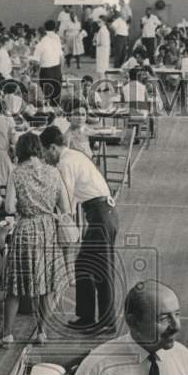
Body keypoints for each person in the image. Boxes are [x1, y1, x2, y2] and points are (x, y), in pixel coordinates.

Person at [41, 126, 118, 333]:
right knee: (85, 265)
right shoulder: (74, 156)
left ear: (53, 148)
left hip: (101, 215)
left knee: (99, 268)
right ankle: (86, 316)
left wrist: (53, 214)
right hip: (102, 213)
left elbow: (66, 201)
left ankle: (106, 322)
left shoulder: (65, 163)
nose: (45, 158)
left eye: (45, 153)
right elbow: (72, 200)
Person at [0, 133, 71, 346]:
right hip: (48, 229)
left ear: (20, 150)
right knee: (47, 284)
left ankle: (7, 334)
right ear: (39, 149)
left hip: (25, 229)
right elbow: (65, 207)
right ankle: (42, 332)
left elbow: (9, 207)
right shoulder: (54, 172)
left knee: (15, 285)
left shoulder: (16, 173)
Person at [32, 19, 64, 104]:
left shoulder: (40, 44)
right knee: (56, 96)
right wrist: (61, 71)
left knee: (46, 97)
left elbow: (35, 62)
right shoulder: (56, 41)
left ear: (39, 34)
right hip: (57, 70)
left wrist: (33, 71)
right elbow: (61, 57)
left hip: (46, 71)